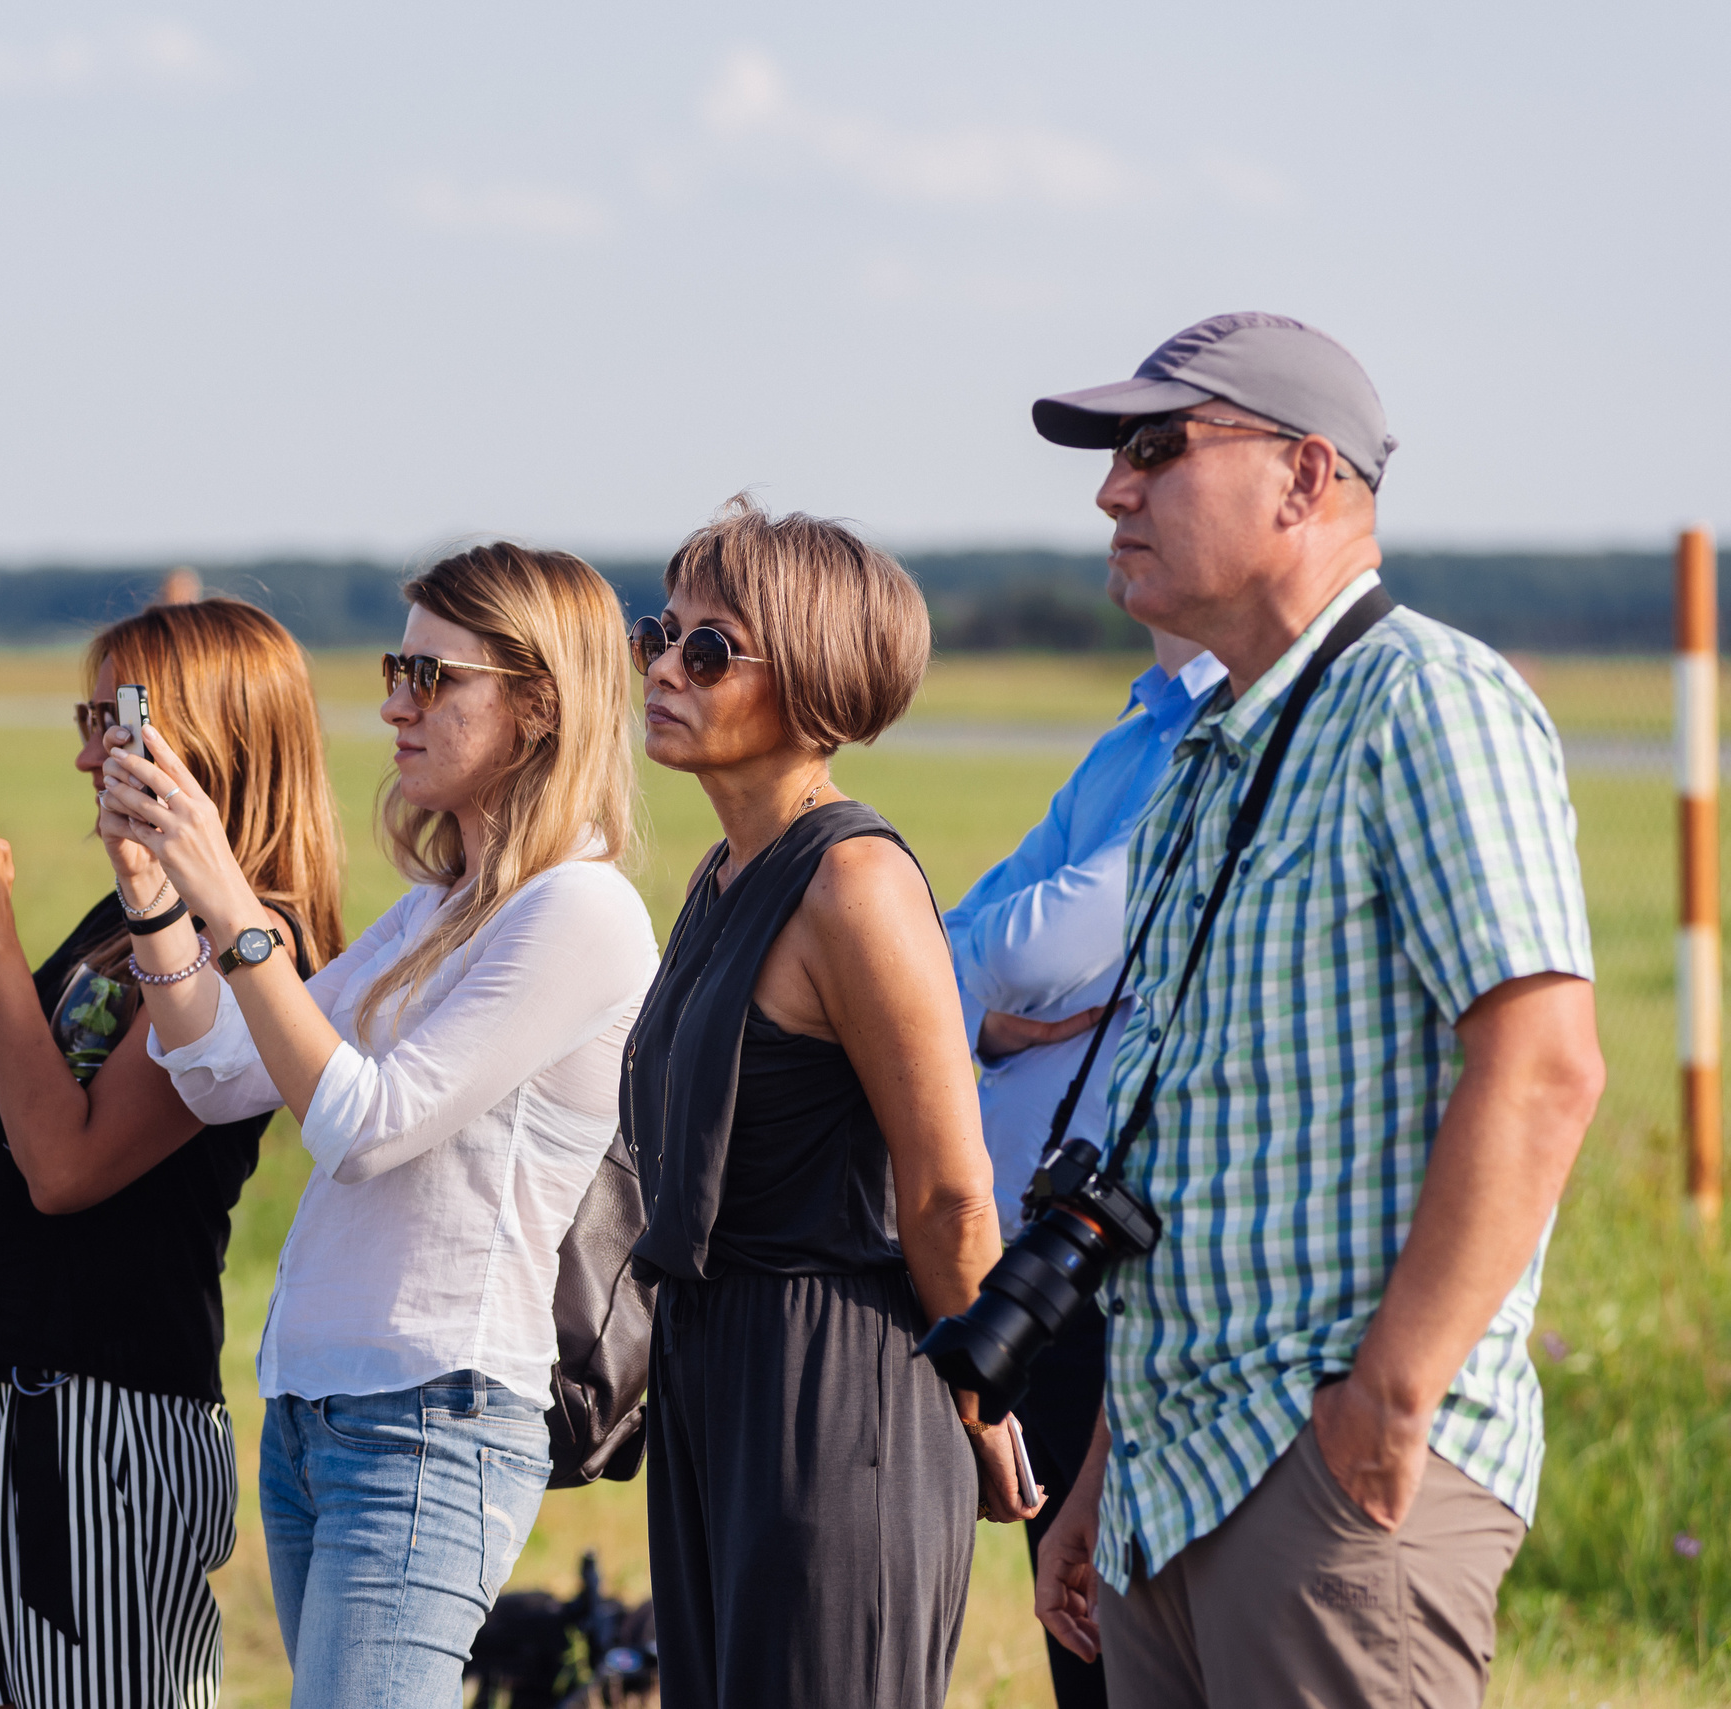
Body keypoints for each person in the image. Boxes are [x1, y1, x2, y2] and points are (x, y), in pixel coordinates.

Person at [1024, 314, 1604, 1709]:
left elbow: (1541, 1067)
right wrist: (1109, 1467)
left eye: (1157, 449)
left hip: (1325, 1481)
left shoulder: (1430, 700)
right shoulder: (1208, 758)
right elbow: (1173, 1154)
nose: (1114, 489)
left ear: (1303, 477)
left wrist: (1389, 1403)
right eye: (1118, 457)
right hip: (1175, 1486)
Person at [101, 543, 659, 1708]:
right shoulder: (438, 906)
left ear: (537, 703)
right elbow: (214, 1068)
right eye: (393, 665)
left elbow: (364, 1125)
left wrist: (235, 907)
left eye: (431, 674)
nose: (395, 701)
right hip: (319, 1404)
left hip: (433, 1414)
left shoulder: (580, 908)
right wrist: (155, 892)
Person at [0, 596, 346, 1709]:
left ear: (218, 738)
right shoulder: (123, 913)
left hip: (97, 1422)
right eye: (88, 714)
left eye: (124, 718)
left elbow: (65, 1167)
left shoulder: (251, 946)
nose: (92, 749)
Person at [622, 496, 1035, 1709]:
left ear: (812, 680)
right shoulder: (720, 872)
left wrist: (982, 1381)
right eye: (663, 630)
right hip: (711, 1369)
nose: (663, 666)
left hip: (832, 1377)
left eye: (709, 648)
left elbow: (951, 1187)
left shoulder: (853, 881)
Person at [939, 625, 1223, 1709]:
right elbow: (946, 940)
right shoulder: (1132, 733)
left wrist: (988, 1004)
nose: (1115, 495)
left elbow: (1016, 950)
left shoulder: (1211, 735)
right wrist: (998, 1021)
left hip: (1125, 1269)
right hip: (1039, 1266)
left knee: (1132, 1645)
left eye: (1153, 452)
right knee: (1078, 1640)